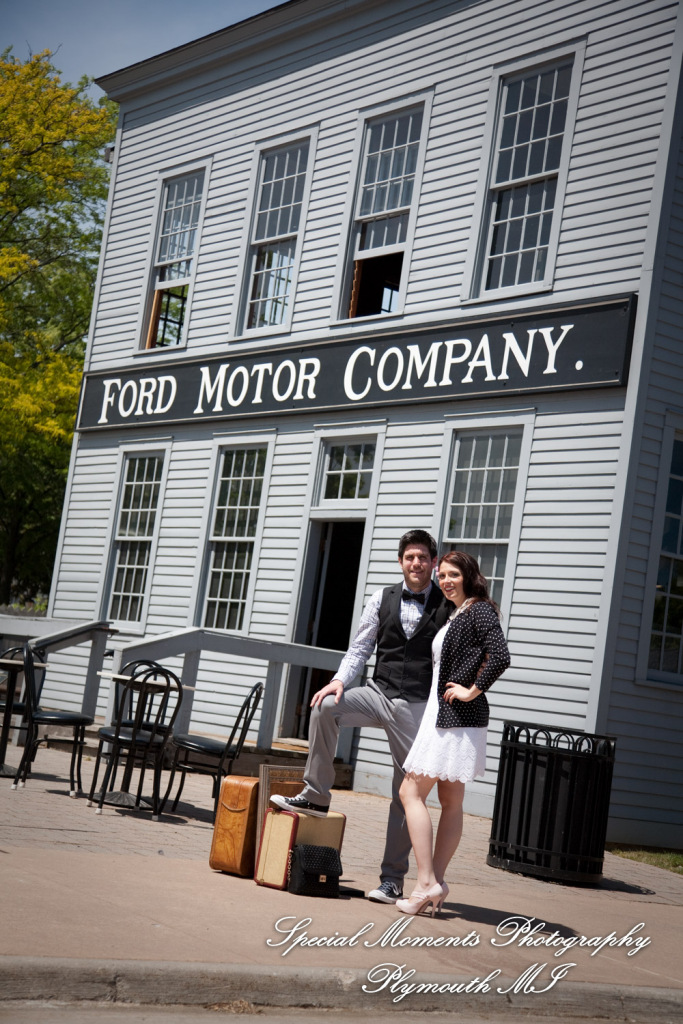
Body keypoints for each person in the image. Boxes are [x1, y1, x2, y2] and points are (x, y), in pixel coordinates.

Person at [271, 529, 451, 903]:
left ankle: (392, 880)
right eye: (409, 557)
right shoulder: (380, 598)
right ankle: (317, 793)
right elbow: (361, 647)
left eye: (423, 557)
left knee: (407, 793)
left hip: (416, 706)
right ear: (401, 562)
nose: (416, 563)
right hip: (377, 692)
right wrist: (338, 681)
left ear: (434, 563)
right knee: (324, 707)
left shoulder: (448, 603)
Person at [395, 550, 511, 917]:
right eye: (441, 575)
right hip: (447, 716)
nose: (445, 581)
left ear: (469, 576)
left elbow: (501, 654)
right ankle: (429, 887)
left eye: (453, 575)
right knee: (451, 801)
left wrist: (471, 689)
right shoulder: (457, 612)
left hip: (455, 717)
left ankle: (427, 880)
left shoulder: (479, 610)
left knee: (409, 791)